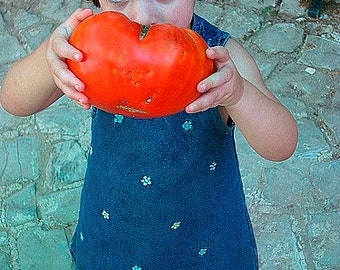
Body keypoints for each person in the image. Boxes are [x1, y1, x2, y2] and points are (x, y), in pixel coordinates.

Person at [0, 0, 298, 269]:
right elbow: (13, 101)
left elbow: (282, 144)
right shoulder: (89, 46)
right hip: (111, 235)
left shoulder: (218, 59)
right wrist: (49, 59)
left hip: (203, 246)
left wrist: (239, 94)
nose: (143, 15)